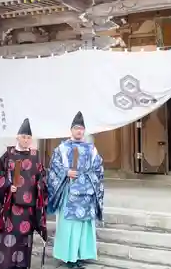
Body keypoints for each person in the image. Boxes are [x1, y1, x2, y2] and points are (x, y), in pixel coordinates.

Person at [0, 118, 48, 269]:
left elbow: (42, 177)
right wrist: (8, 186)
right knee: (8, 241)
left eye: (28, 137)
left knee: (24, 242)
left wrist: (39, 186)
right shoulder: (8, 155)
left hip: (28, 208)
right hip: (11, 207)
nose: (26, 140)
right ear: (17, 137)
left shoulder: (36, 156)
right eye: (23, 137)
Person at [48, 111, 104, 269]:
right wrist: (66, 173)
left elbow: (98, 169)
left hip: (86, 193)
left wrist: (89, 177)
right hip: (69, 193)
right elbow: (53, 168)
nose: (79, 131)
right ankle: (68, 257)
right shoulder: (62, 149)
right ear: (71, 130)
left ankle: (80, 255)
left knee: (83, 226)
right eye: (76, 128)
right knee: (69, 226)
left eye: (81, 129)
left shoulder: (91, 149)